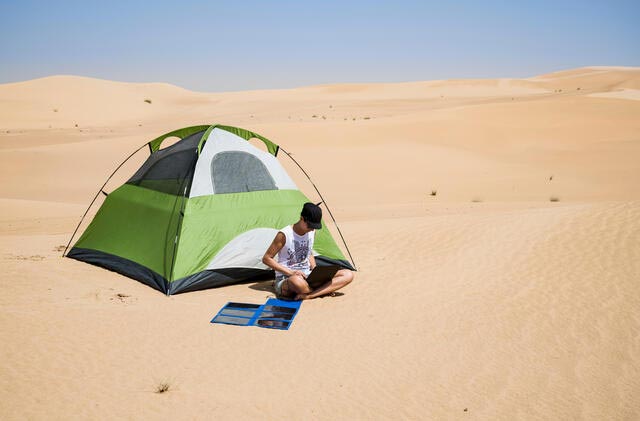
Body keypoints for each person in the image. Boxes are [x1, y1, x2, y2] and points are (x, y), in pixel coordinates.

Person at [262, 202, 354, 300]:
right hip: (287, 278)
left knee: (348, 274)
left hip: (308, 275)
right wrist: (290, 272)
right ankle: (323, 290)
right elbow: (266, 259)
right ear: (302, 218)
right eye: (310, 226)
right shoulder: (284, 234)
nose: (312, 229)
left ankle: (310, 295)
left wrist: (314, 268)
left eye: (314, 227)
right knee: (296, 281)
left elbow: (308, 252)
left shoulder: (312, 231)